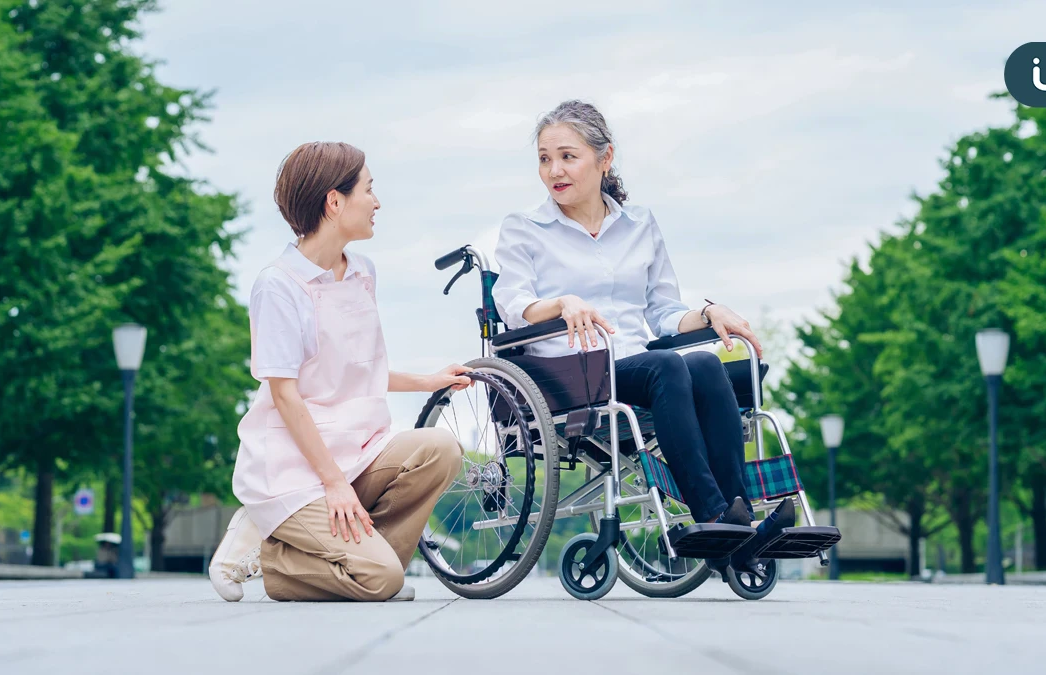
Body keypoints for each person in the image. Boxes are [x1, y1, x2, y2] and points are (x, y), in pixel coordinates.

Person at [491, 101, 795, 577]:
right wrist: (561, 303)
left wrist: (711, 313)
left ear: (604, 158)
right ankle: (712, 515)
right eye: (545, 158)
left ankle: (740, 517)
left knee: (707, 363)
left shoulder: (639, 225)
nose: (554, 170)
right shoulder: (525, 228)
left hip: (632, 365)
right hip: (568, 373)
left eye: (567, 156)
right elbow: (512, 302)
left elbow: (663, 311)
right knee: (670, 367)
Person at [208, 141, 470, 602]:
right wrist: (332, 483)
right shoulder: (278, 286)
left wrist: (428, 380)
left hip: (357, 451)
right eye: (368, 190)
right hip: (292, 471)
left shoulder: (361, 272)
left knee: (440, 449)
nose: (377, 202)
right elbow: (286, 396)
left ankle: (366, 565)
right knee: (382, 582)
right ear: (335, 201)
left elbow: (355, 369)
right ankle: (270, 551)